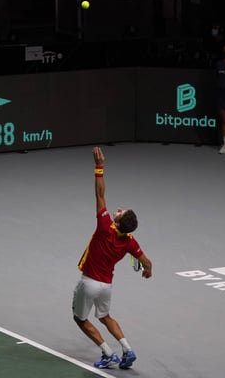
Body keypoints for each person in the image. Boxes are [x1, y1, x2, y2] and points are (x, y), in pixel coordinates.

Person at [72, 147, 152, 370]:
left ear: (116, 221)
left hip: (88, 283)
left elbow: (99, 195)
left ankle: (108, 354)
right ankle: (128, 349)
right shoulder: (130, 242)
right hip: (106, 286)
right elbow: (147, 263)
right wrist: (148, 271)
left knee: (80, 319)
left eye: (120, 212)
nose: (117, 209)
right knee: (105, 316)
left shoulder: (104, 226)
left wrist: (99, 167)